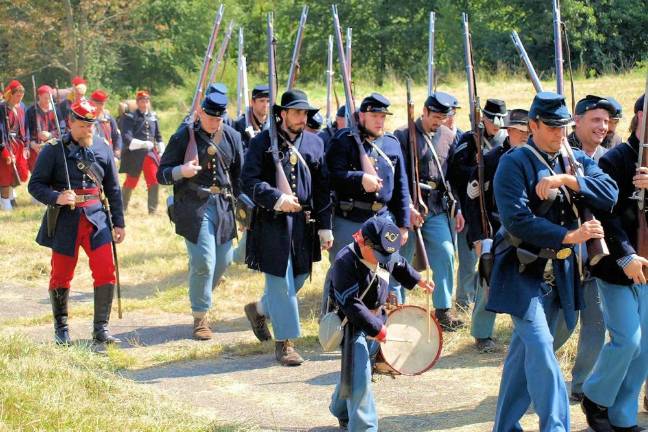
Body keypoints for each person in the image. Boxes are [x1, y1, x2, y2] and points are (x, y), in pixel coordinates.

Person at [486, 92, 618, 432]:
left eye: (564, 126)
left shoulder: (571, 159)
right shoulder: (514, 163)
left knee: (522, 357)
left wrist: (567, 180)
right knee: (542, 348)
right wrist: (569, 237)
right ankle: (556, 426)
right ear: (532, 125)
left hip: (561, 273)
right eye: (551, 126)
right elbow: (517, 220)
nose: (559, 133)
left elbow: (610, 193)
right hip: (521, 270)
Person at [242, 89, 332, 366]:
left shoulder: (315, 144)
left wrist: (325, 226)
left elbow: (322, 188)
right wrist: (276, 198)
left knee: (299, 278)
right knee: (281, 284)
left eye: (304, 113)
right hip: (272, 223)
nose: (301, 118)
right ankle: (286, 344)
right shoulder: (261, 143)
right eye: (296, 112)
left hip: (303, 224)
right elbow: (249, 181)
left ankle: (259, 309)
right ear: (282, 114)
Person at [27, 100, 125, 345]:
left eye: (91, 126)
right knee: (61, 274)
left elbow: (113, 189)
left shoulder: (103, 148)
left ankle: (101, 329)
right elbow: (35, 185)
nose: (88, 130)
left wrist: (119, 223)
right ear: (70, 123)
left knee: (105, 271)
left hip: (97, 220)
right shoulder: (53, 149)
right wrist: (56, 197)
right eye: (82, 126)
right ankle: (61, 329)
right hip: (65, 221)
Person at [328, 216, 434, 431]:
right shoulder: (344, 261)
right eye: (378, 255)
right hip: (352, 325)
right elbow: (351, 304)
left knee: (355, 371)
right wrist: (377, 330)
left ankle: (340, 409)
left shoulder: (384, 252)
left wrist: (418, 280)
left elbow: (399, 264)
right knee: (361, 377)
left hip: (378, 321)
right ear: (363, 242)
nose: (381, 260)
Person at [581, 93, 648, 432]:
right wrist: (626, 256)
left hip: (647, 267)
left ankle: (623, 417)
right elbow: (607, 219)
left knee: (645, 348)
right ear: (640, 115)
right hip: (615, 267)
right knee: (628, 339)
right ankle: (594, 397)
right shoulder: (613, 160)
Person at [157, 92, 243, 340]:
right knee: (205, 261)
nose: (215, 123)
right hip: (194, 206)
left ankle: (200, 287)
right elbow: (161, 174)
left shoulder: (232, 137)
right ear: (201, 112)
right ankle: (200, 316)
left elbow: (239, 177)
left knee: (223, 261)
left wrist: (243, 213)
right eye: (210, 117)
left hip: (224, 206)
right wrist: (181, 171)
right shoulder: (184, 135)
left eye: (219, 119)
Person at [321, 93, 410, 316]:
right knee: (344, 274)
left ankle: (389, 328)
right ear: (362, 115)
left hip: (383, 220)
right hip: (350, 218)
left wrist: (403, 224)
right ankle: (334, 324)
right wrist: (359, 178)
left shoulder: (391, 144)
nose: (380, 120)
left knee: (390, 273)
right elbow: (331, 176)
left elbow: (401, 186)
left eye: (383, 116)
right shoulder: (344, 140)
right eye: (375, 116)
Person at [559, 94, 617, 401]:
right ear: (576, 121)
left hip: (596, 257)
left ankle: (582, 386)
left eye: (606, 122)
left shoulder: (607, 157)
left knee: (596, 324)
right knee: (558, 328)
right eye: (595, 120)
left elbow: (611, 199)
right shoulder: (558, 152)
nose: (603, 127)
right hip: (561, 256)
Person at [394, 91, 465, 331]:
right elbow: (398, 177)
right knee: (400, 260)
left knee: (445, 254)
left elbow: (453, 178)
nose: (439, 122)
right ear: (424, 112)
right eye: (435, 116)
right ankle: (397, 310)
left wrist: (457, 208)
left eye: (442, 117)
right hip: (408, 208)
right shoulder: (403, 135)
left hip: (435, 207)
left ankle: (443, 310)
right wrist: (407, 208)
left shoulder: (448, 136)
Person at [465, 108, 530, 352]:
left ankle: (522, 334)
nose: (524, 137)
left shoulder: (534, 158)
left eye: (528, 132)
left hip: (525, 230)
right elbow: (473, 201)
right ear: (509, 132)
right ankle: (482, 334)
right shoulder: (490, 161)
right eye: (520, 132)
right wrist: (479, 237)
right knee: (488, 283)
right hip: (494, 230)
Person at [449, 99, 507, 310]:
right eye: (493, 120)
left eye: (500, 120)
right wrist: (476, 169)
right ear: (483, 118)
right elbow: (455, 172)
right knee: (468, 259)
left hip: (495, 207)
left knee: (492, 258)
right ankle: (464, 300)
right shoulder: (469, 139)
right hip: (471, 203)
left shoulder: (504, 141)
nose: (497, 125)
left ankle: (488, 299)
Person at [119, 90, 163, 214]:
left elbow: (158, 137)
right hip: (135, 155)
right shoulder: (129, 117)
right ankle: (122, 208)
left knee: (154, 180)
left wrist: (162, 150)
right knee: (131, 181)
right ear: (137, 103)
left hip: (150, 154)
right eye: (142, 101)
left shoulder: (153, 117)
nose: (144, 103)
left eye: (146, 100)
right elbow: (127, 138)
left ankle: (152, 210)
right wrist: (143, 144)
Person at [0, 80, 29, 211]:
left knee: (17, 174)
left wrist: (26, 145)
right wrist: (5, 151)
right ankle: (5, 203)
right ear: (10, 94)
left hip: (18, 145)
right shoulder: (2, 108)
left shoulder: (21, 106)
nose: (19, 98)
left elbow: (25, 127)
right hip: (5, 145)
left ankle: (10, 198)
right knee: (5, 174)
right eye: (17, 95)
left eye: (21, 95)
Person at [26, 85, 63, 173]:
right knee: (37, 174)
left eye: (49, 98)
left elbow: (62, 128)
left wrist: (50, 135)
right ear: (39, 97)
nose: (47, 100)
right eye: (45, 98)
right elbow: (26, 130)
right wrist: (32, 143)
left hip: (53, 145)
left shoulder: (56, 110)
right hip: (36, 148)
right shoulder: (31, 111)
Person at [233, 84, 270, 150]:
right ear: (252, 102)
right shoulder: (241, 124)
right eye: (262, 101)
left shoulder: (275, 123)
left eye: (268, 101)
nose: (265, 105)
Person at [90, 90, 122, 158]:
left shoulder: (108, 118)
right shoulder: (87, 118)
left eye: (103, 104)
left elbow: (116, 135)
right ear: (92, 103)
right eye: (100, 104)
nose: (102, 106)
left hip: (107, 154)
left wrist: (117, 150)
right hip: (92, 153)